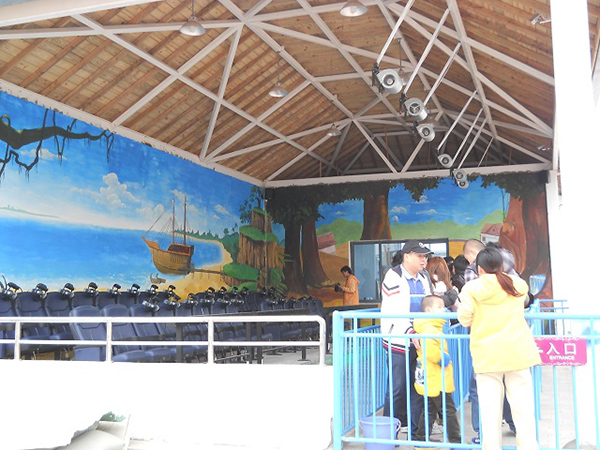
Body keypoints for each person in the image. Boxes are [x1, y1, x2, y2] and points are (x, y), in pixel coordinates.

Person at [458, 247, 541, 450]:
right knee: (523, 411)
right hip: (518, 352)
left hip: (487, 355)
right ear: (501, 266)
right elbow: (523, 302)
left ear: (479, 269)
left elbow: (464, 319)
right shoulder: (517, 284)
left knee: (490, 413)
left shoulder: (472, 289)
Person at [381, 240, 433, 436]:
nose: (424, 259)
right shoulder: (393, 276)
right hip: (399, 341)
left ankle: (416, 433)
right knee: (397, 388)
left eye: (425, 256)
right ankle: (389, 433)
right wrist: (410, 332)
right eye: (420, 256)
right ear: (407, 256)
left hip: (420, 340)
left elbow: (428, 305)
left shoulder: (424, 277)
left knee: (418, 387)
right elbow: (394, 310)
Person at [414, 295, 461, 447]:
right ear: (428, 310)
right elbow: (429, 349)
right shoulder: (429, 328)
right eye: (439, 307)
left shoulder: (431, 327)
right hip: (436, 377)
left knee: (429, 410)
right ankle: (456, 441)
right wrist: (442, 358)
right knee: (448, 410)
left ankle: (421, 440)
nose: (444, 310)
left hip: (433, 377)